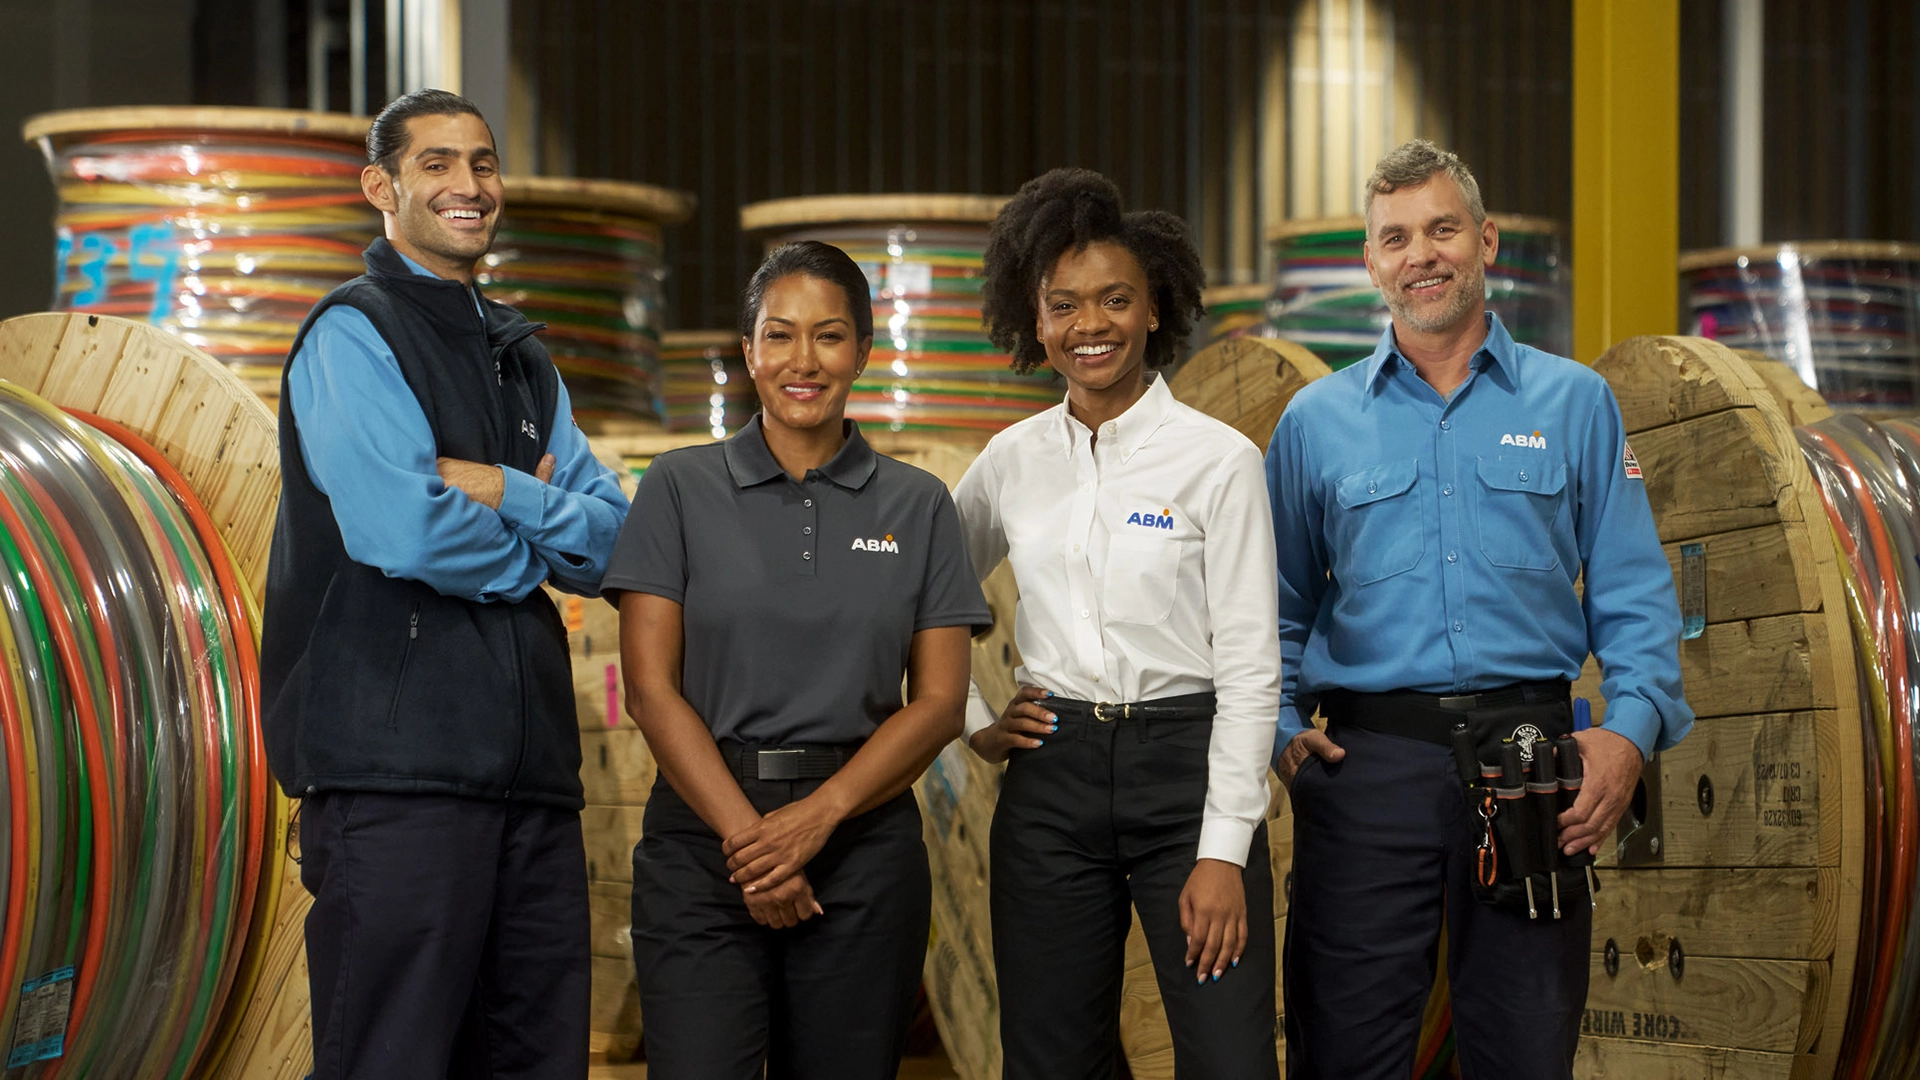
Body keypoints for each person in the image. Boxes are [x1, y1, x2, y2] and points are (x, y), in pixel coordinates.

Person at [1266, 138, 1693, 1079]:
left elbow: (1633, 595)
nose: (1422, 254)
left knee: (1526, 1052)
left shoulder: (1576, 403)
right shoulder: (1314, 424)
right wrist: (1283, 733)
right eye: (1397, 237)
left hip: (1535, 769)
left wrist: (1627, 734)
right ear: (1371, 263)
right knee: (1345, 1051)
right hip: (1366, 774)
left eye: (1443, 228)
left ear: (1486, 240)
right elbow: (1277, 612)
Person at [259, 89, 629, 1079]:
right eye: (437, 164)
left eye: (482, 163)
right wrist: (536, 557)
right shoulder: (351, 334)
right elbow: (407, 530)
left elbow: (618, 542)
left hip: (531, 785)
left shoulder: (524, 359)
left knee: (534, 1060)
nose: (468, 185)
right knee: (390, 1058)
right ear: (381, 186)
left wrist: (507, 489)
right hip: (398, 784)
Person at [603, 240, 990, 1079]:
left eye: (828, 336)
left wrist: (819, 817)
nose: (802, 361)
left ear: (863, 351)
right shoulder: (677, 487)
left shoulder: (917, 505)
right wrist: (752, 842)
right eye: (778, 336)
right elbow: (649, 690)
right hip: (705, 842)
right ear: (748, 352)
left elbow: (939, 703)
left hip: (863, 841)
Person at [955, 168, 1282, 1079]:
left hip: (1186, 775)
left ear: (1154, 310)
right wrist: (968, 726)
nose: (1088, 325)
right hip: (1050, 781)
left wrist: (1223, 849)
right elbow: (921, 592)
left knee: (1229, 1058)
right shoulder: (1009, 462)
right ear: (1035, 317)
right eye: (1064, 305)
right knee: (1054, 1060)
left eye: (1114, 300)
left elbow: (1254, 672)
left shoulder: (1218, 463)